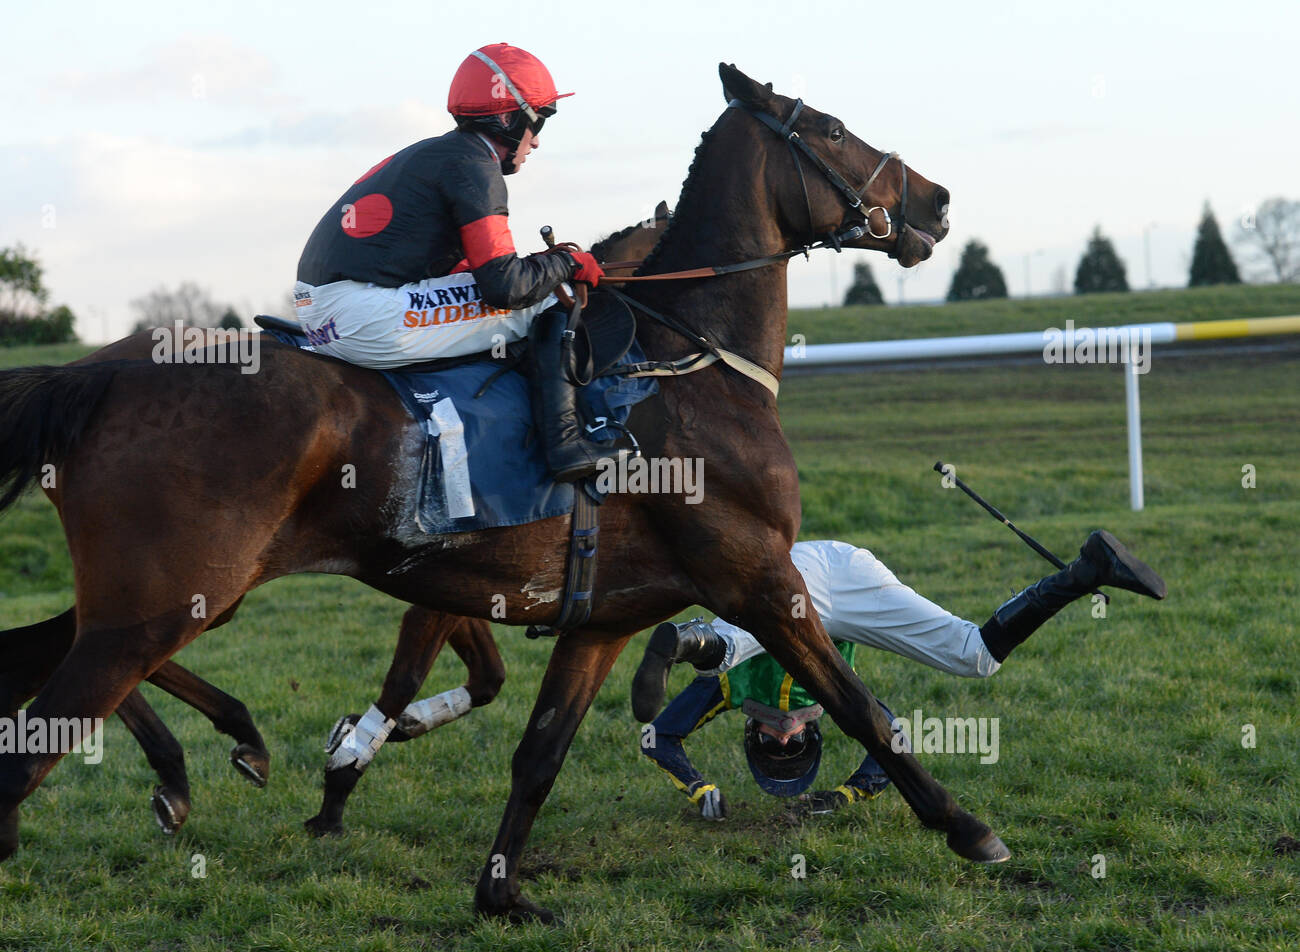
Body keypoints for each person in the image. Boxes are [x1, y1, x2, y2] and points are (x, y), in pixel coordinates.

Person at [634, 531, 1166, 818]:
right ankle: (1084, 572)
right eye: (789, 743)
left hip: (801, 577)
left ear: (754, 732)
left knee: (733, 646)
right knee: (974, 656)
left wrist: (697, 788)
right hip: (844, 571)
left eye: (771, 741)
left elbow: (658, 737)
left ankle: (683, 639)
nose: (781, 732)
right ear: (810, 734)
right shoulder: (839, 705)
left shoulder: (727, 693)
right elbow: (896, 738)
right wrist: (847, 795)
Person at [293, 43, 612, 482]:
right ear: (508, 116)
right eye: (539, 120)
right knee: (549, 301)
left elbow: (469, 271)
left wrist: (547, 263)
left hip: (320, 314)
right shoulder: (475, 166)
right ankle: (565, 445)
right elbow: (506, 288)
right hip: (361, 316)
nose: (536, 139)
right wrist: (567, 265)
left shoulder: (441, 152)